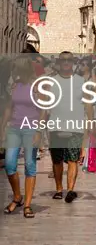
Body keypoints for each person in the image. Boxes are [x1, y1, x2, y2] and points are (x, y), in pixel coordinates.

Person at [48, 52, 90, 204]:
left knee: (73, 159)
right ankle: (59, 189)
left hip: (76, 127)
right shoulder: (52, 81)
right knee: (57, 160)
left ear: (73, 62)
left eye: (69, 60)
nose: (66, 63)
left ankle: (70, 189)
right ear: (59, 62)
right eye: (63, 60)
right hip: (56, 126)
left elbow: (88, 105)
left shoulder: (81, 81)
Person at [3, 57, 41, 218]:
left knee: (29, 165)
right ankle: (17, 196)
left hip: (31, 129)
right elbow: (9, 108)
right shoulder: (14, 85)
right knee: (10, 165)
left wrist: (39, 131)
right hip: (14, 128)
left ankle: (27, 205)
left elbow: (44, 109)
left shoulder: (36, 86)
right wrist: (2, 126)